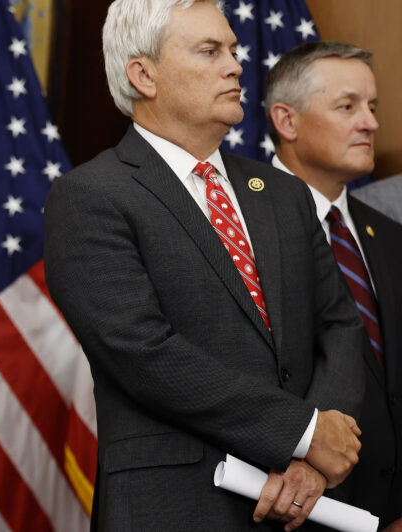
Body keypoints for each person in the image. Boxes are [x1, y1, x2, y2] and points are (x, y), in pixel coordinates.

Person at [43, 1, 367, 530]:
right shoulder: (89, 196)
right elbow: (142, 351)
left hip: (305, 508)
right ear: (144, 75)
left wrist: (313, 460)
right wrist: (304, 431)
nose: (237, 65)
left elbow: (339, 326)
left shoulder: (283, 192)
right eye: (210, 51)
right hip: (174, 507)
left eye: (234, 50)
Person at [266, 41, 402, 530]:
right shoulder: (235, 226)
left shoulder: (388, 236)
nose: (369, 122)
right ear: (287, 121)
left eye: (372, 107)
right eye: (347, 106)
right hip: (280, 510)